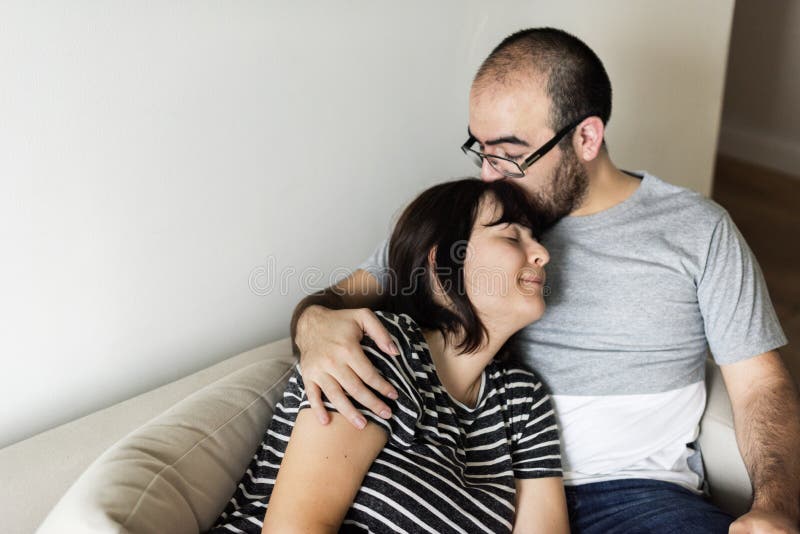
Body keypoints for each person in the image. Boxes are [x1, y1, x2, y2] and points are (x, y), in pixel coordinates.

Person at [290, 28, 800, 533]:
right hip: (480, 494)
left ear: (586, 137)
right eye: (480, 149)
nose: (490, 174)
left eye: (510, 152)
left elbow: (761, 386)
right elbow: (336, 299)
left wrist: (777, 505)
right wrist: (312, 325)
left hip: (639, 499)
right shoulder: (472, 227)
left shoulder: (698, 230)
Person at [210, 179, 569, 533]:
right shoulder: (381, 347)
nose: (542, 253)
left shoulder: (523, 399)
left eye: (534, 238)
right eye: (511, 236)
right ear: (441, 261)